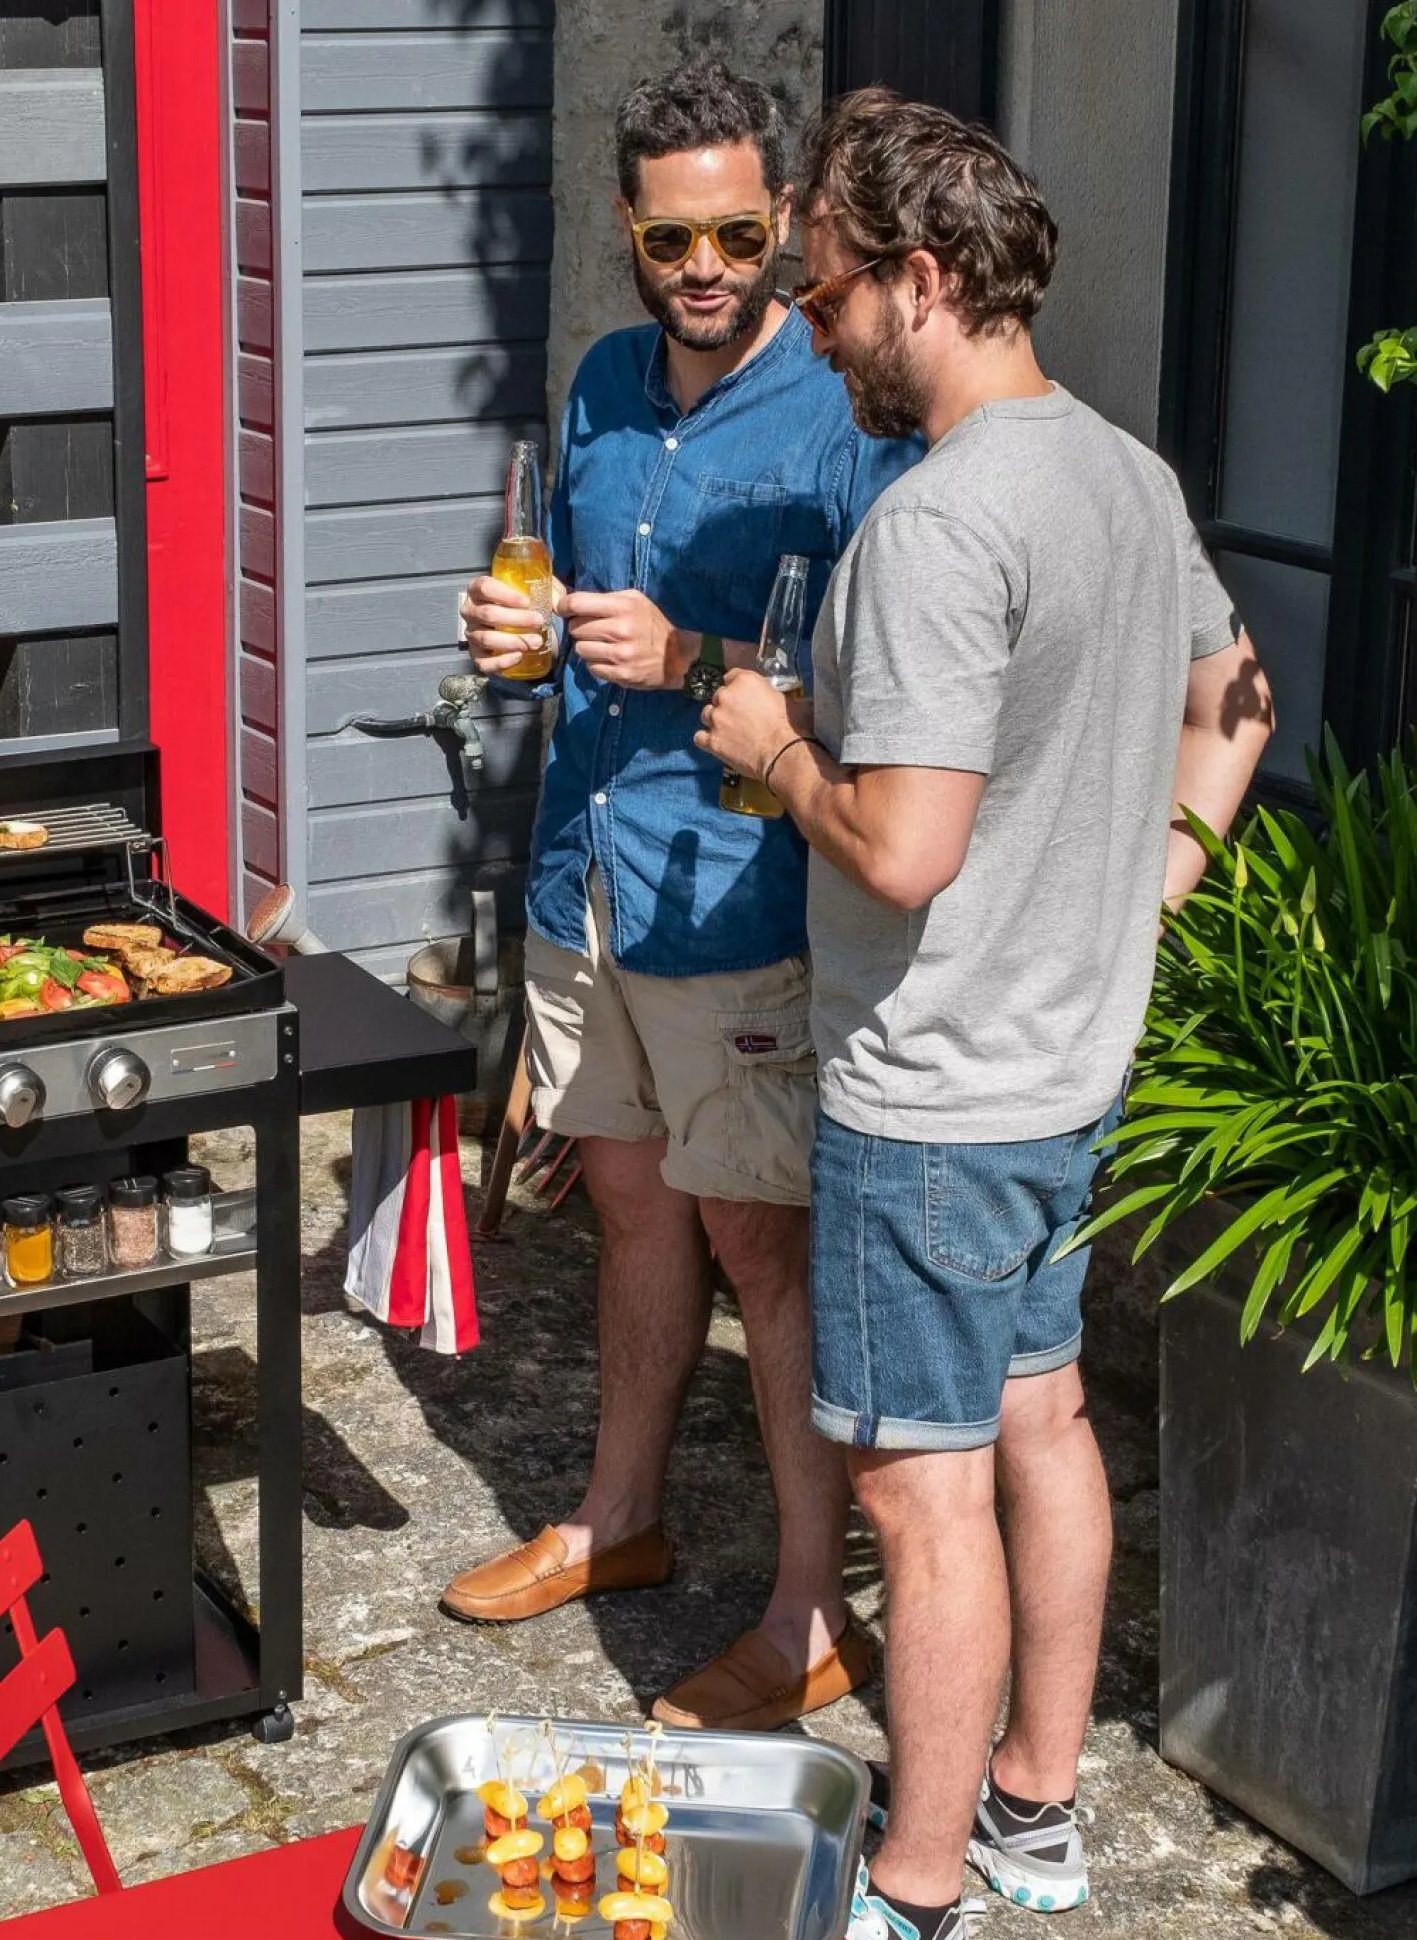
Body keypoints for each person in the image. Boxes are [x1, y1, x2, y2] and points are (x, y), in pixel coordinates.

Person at [699, 90, 1273, 1938]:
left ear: (924, 281)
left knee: (920, 1502)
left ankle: (922, 1885)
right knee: (1048, 1424)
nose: (815, 323)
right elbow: (1238, 698)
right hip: (1070, 1073)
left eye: (833, 288)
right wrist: (1148, 879)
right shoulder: (1124, 472)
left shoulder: (943, 526)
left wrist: (780, 748)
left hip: (935, 1094)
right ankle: (1037, 1808)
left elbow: (907, 846)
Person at [445, 57, 918, 1733]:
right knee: (634, 1215)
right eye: (670, 238)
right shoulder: (596, 380)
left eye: (734, 230)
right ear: (632, 235)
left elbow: (893, 684)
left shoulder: (846, 413)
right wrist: (523, 638)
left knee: (761, 1248)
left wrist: (701, 652)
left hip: (738, 898)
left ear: (783, 219)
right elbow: (572, 606)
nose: (704, 266)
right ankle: (619, 1522)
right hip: (588, 866)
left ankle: (810, 1612)